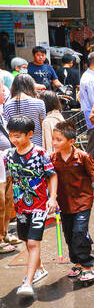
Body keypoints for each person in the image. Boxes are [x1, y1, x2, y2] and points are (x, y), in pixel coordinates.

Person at [4, 116, 58, 296]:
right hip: (20, 207)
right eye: (11, 135)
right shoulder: (8, 155)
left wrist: (53, 198)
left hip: (39, 205)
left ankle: (28, 282)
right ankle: (39, 268)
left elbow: (52, 175)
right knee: (27, 241)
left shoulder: (40, 153)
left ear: (30, 134)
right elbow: (7, 177)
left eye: (18, 136)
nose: (14, 139)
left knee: (33, 243)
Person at [50, 120, 94, 283]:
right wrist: (52, 198)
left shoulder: (82, 157)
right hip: (64, 204)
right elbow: (50, 180)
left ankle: (87, 265)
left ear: (71, 141)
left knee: (80, 232)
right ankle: (77, 263)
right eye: (53, 139)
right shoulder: (53, 158)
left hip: (83, 202)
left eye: (59, 140)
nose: (54, 143)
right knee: (69, 234)